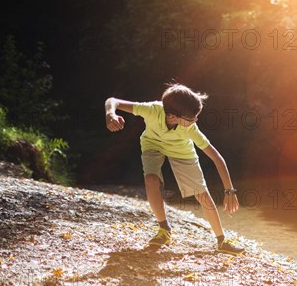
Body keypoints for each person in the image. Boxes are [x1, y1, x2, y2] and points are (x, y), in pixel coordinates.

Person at [104, 83, 244, 255]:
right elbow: (113, 101)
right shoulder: (152, 110)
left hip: (181, 150)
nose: (195, 121)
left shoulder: (191, 130)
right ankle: (164, 229)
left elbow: (217, 158)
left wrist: (229, 190)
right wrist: (111, 114)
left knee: (202, 193)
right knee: (151, 180)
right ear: (171, 116)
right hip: (152, 144)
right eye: (191, 118)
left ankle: (222, 241)